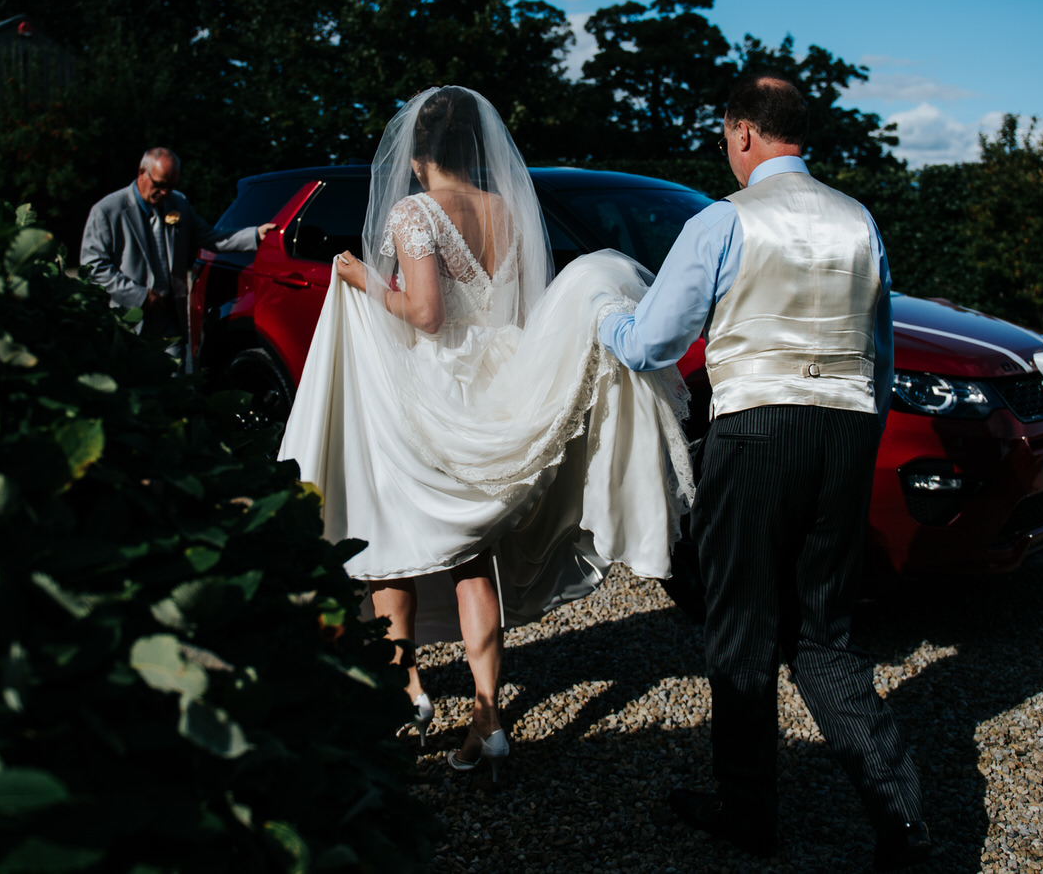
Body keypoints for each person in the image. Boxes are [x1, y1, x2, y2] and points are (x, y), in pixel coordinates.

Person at [279, 86, 695, 779]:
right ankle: (489, 717)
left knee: (395, 540)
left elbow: (426, 314)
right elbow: (524, 306)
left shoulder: (417, 214)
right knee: (473, 557)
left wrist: (356, 278)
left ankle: (408, 689)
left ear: (417, 159)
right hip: (499, 386)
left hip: (434, 391)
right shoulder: (507, 207)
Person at [600, 74, 931, 871]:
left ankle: (747, 810)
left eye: (725, 136)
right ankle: (904, 821)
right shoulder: (860, 221)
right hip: (848, 434)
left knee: (742, 627)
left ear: (743, 132)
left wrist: (603, 315)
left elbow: (649, 342)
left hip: (757, 434)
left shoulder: (724, 220)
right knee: (826, 636)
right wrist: (856, 431)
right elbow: (880, 352)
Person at [79, 147, 275, 358]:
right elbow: (93, 267)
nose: (165, 193)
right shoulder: (107, 210)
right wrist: (140, 296)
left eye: (171, 187)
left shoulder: (178, 203)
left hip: (170, 319)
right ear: (141, 172)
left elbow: (211, 237)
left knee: (175, 381)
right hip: (128, 321)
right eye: (160, 185)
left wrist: (255, 235)